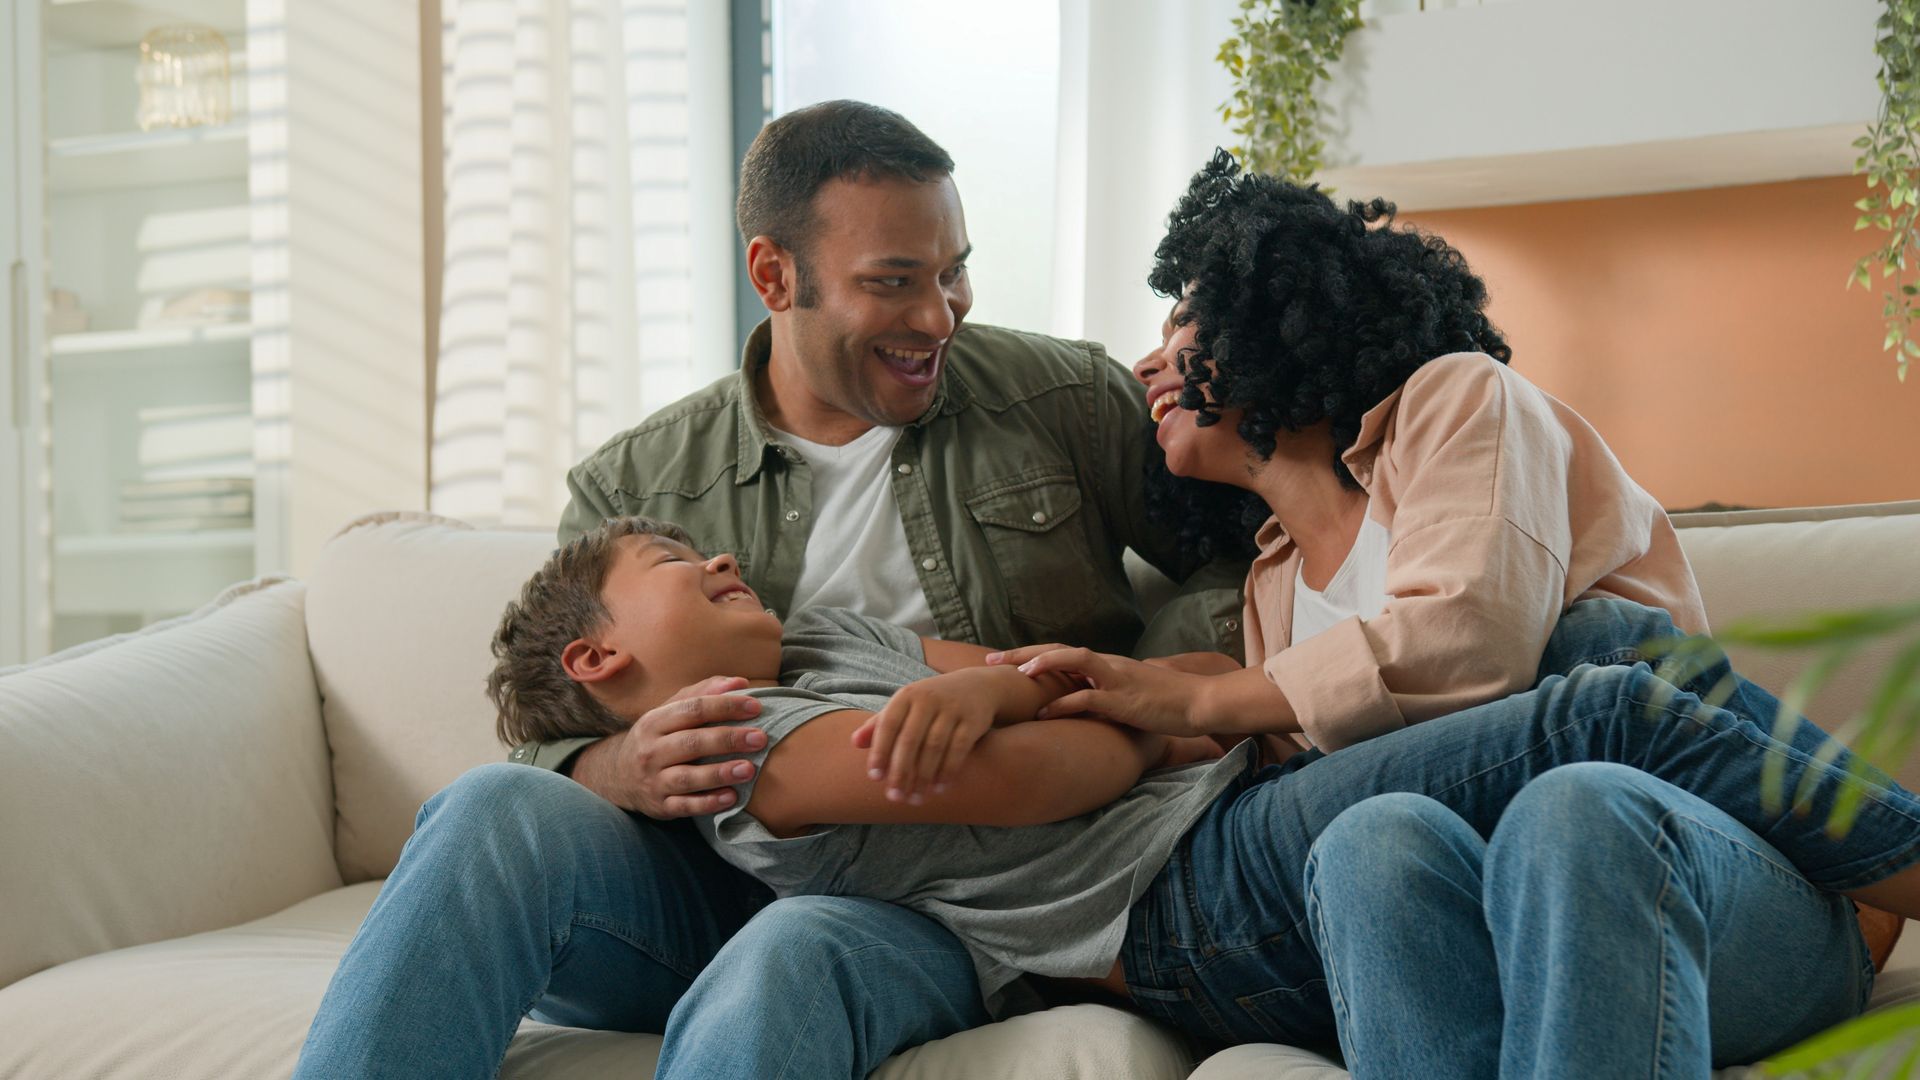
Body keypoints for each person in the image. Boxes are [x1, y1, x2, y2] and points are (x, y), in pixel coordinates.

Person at [293, 100, 1244, 1080]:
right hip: (721, 878)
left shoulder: (1062, 401)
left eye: (953, 271)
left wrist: (1145, 690)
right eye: (894, 282)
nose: (939, 315)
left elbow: (1241, 555)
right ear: (774, 274)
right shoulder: (638, 486)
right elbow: (556, 721)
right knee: (491, 810)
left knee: (783, 958)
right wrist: (617, 767)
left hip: (959, 896)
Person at [979, 149, 1916, 1076]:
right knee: (1366, 838)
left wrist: (1199, 703)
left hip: (1703, 892)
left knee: (1574, 801)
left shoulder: (1457, 402)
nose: (1149, 363)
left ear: (1275, 315)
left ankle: (1884, 876)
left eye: (1182, 318)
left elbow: (1470, 641)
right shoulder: (1271, 589)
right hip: (1501, 935)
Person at [488, 513, 1920, 1079]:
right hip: (1182, 904)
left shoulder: (834, 643)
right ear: (603, 654)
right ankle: (1896, 871)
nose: (713, 557)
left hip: (1221, 816)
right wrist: (1094, 714)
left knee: (1600, 645)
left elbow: (1072, 689)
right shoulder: (751, 763)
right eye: (673, 564)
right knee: (1600, 712)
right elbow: (1063, 760)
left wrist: (999, 687)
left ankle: (1835, 902)